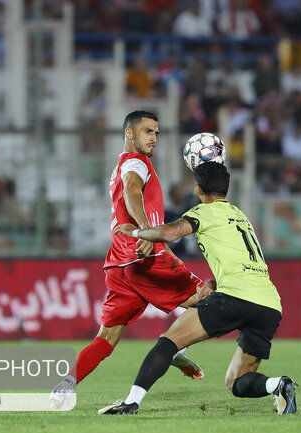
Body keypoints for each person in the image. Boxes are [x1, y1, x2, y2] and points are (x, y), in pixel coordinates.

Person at [100, 162, 296, 415]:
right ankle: (279, 385)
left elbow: (170, 233)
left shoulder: (205, 212)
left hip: (236, 297)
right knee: (237, 381)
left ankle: (132, 402)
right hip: (269, 304)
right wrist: (215, 282)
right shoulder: (240, 216)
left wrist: (137, 231)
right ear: (227, 188)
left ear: (198, 189)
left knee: (169, 342)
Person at [50, 111, 212, 406]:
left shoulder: (120, 166)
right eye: (148, 131)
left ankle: (64, 386)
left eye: (156, 133)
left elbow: (131, 196)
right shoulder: (137, 163)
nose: (154, 138)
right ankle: (176, 346)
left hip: (119, 262)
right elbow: (132, 190)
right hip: (143, 257)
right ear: (129, 134)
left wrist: (151, 236)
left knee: (107, 337)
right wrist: (146, 232)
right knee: (210, 299)